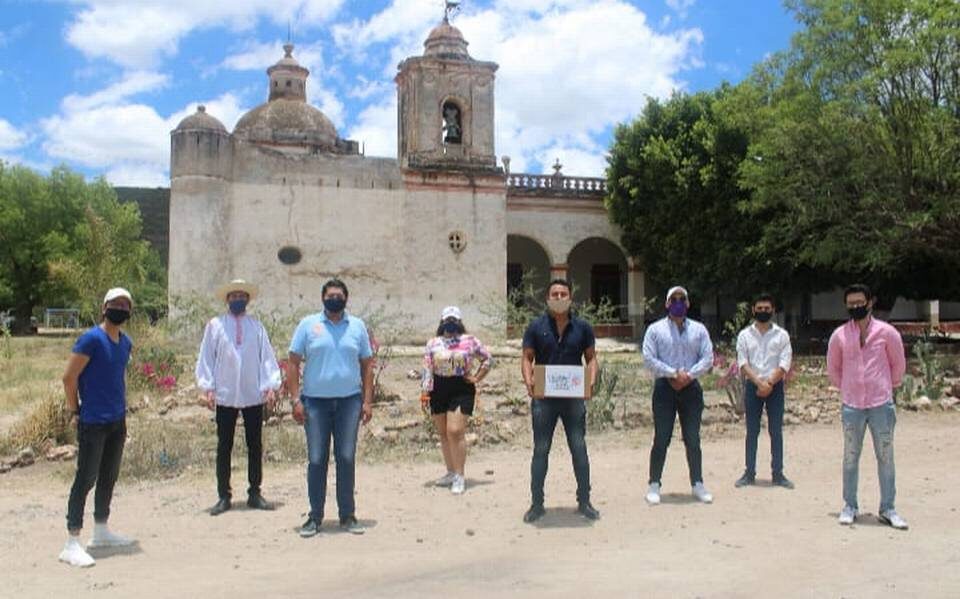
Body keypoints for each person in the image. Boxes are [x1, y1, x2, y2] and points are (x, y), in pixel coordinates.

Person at [288, 279, 374, 537]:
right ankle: (315, 517)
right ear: (322, 298)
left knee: (346, 458)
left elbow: (367, 364)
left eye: (339, 295)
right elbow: (292, 362)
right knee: (316, 459)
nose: (334, 299)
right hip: (315, 403)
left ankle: (347, 515)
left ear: (346, 299)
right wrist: (295, 400)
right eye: (330, 295)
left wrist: (367, 401)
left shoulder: (357, 326)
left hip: (349, 402)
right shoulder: (308, 325)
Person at [59, 288, 136, 567]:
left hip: (117, 420)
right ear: (104, 308)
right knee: (86, 478)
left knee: (108, 476)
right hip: (93, 421)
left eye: (125, 305)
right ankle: (71, 541)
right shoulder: (91, 339)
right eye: (115, 304)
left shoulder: (125, 342)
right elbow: (69, 378)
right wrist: (75, 410)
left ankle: (101, 530)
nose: (120, 308)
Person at [195, 279, 281, 516]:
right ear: (227, 300)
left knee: (255, 444)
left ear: (248, 300)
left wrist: (270, 385)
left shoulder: (257, 327)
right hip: (225, 394)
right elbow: (207, 357)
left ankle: (255, 492)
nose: (237, 300)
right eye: (233, 297)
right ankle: (224, 495)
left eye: (241, 296)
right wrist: (208, 386)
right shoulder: (215, 326)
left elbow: (266, 357)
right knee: (224, 445)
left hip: (252, 393)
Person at [827, 283, 908, 529]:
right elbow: (834, 368)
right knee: (851, 457)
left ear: (870, 302)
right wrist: (849, 388)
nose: (855, 307)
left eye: (859, 303)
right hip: (852, 406)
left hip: (880, 404)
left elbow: (898, 365)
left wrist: (886, 387)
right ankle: (850, 505)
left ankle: (888, 508)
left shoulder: (887, 333)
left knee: (885, 456)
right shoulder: (839, 335)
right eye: (851, 304)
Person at [520, 279, 600, 523]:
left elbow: (591, 359)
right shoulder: (535, 327)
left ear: (570, 298)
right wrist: (529, 382)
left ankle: (584, 501)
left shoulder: (583, 328)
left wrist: (591, 381)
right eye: (554, 293)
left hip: (573, 400)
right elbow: (526, 358)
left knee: (578, 447)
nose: (559, 297)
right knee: (541, 450)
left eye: (563, 293)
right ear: (547, 298)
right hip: (544, 400)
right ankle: (537, 504)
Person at [641, 285, 714, 505]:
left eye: (682, 298)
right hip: (665, 388)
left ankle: (698, 484)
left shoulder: (699, 330)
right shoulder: (655, 330)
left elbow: (708, 357)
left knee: (692, 438)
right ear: (667, 303)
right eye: (674, 299)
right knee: (661, 438)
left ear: (689, 303)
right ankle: (654, 484)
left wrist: (688, 376)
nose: (678, 302)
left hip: (691, 388)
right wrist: (673, 373)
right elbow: (648, 358)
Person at [420, 306, 493, 495]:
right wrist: (425, 391)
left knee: (455, 431)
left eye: (454, 320)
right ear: (442, 321)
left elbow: (487, 359)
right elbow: (427, 367)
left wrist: (477, 377)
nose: (450, 323)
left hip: (461, 388)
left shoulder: (469, 341)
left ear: (459, 322)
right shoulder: (433, 343)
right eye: (447, 320)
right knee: (444, 433)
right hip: (438, 388)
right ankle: (451, 472)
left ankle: (460, 476)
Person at [734, 293, 794, 489]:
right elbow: (743, 363)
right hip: (753, 387)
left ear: (773, 310)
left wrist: (768, 383)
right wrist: (759, 383)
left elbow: (785, 363)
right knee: (752, 432)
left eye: (767, 309)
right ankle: (749, 473)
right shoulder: (744, 335)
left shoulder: (782, 335)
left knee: (775, 431)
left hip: (775, 387)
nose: (763, 312)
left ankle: (778, 474)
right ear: (753, 310)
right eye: (759, 309)